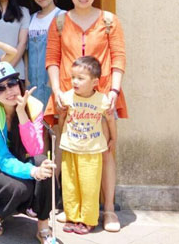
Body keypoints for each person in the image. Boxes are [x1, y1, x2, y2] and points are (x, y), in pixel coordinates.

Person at [44, 0, 127, 233]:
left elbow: (118, 57)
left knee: (105, 150)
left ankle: (108, 209)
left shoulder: (109, 21)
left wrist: (114, 91)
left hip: (102, 95)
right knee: (67, 150)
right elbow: (52, 58)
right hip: (67, 97)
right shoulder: (59, 21)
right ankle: (71, 208)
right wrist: (57, 90)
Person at [0, 62, 56, 244]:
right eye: (0, 88)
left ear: (19, 83)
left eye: (12, 83)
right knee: (18, 187)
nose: (9, 91)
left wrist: (22, 114)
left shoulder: (34, 106)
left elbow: (35, 150)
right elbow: (2, 158)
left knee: (44, 163)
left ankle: (43, 225)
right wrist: (32, 171)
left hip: (21, 162)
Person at [58, 56, 117, 235]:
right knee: (70, 184)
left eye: (80, 78)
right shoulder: (67, 97)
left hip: (92, 150)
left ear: (95, 82)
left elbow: (110, 120)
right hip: (70, 148)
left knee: (89, 186)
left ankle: (88, 219)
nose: (75, 81)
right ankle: (72, 216)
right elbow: (62, 120)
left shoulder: (102, 100)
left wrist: (113, 138)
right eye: (73, 77)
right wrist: (62, 133)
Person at [27, 0, 64, 109]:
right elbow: (26, 53)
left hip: (53, 81)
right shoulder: (31, 18)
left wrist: (53, 82)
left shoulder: (62, 16)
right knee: (34, 119)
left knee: (52, 119)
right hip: (33, 83)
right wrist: (27, 79)